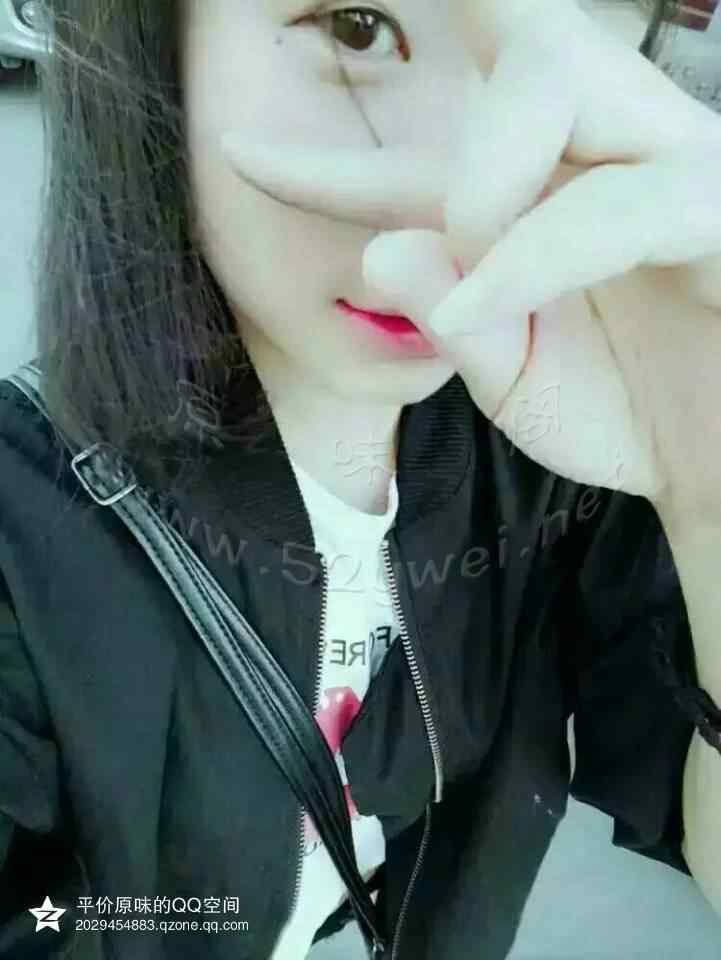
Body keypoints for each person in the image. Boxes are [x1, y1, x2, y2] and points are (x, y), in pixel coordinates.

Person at [1, 1, 721, 958]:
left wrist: (708, 496)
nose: (468, 201)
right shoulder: (24, 533)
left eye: (578, 33)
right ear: (153, 46)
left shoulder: (571, 443)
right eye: (356, 28)